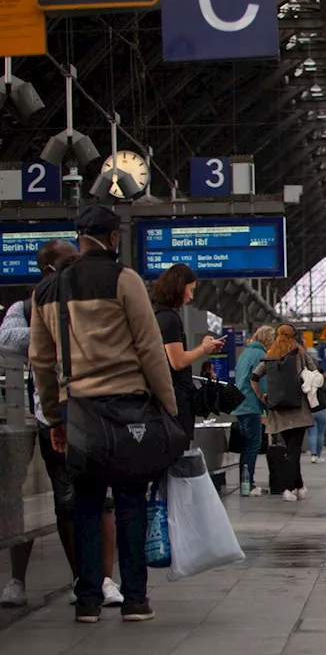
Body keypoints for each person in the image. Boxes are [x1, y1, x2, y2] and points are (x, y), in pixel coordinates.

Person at [28, 205, 178, 624]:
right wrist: (168, 405)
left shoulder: (45, 292)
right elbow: (149, 348)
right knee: (129, 501)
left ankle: (89, 601)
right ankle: (134, 599)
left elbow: (40, 361)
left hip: (79, 413)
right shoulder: (125, 279)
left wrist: (55, 420)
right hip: (128, 409)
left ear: (79, 237)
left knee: (87, 506)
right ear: (113, 238)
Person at [0, 240, 124, 610]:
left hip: (94, 410)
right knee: (63, 501)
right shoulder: (24, 308)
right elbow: (6, 340)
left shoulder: (90, 298)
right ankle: (73, 577)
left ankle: (103, 579)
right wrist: (54, 326)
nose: (77, 265)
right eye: (69, 261)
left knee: (102, 498)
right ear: (48, 268)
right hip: (46, 415)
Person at [150, 264, 224, 441]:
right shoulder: (169, 319)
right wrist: (204, 348)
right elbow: (178, 361)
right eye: (190, 290)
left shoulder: (159, 315)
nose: (191, 296)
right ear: (178, 287)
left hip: (168, 397)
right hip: (175, 400)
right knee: (178, 455)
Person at [250, 325, 319, 502]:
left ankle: (300, 485)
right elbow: (315, 374)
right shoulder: (301, 354)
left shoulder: (270, 356)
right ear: (294, 336)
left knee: (290, 448)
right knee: (293, 450)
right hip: (299, 409)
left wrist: (260, 396)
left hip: (279, 410)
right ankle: (289, 488)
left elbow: (254, 377)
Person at [231, 326, 275, 496]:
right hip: (251, 405)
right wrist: (267, 403)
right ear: (267, 340)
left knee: (247, 445)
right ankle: (247, 485)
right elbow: (261, 383)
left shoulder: (245, 353)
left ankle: (245, 484)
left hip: (240, 405)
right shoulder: (260, 355)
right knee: (253, 445)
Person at [303, 363, 326, 464]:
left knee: (312, 433)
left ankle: (313, 455)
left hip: (311, 410)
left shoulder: (306, 382)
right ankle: (318, 455)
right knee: (321, 433)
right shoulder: (321, 382)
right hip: (322, 409)